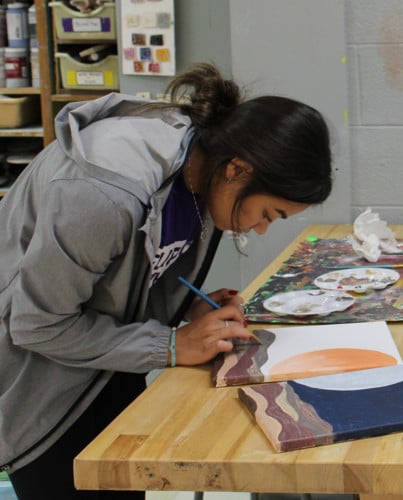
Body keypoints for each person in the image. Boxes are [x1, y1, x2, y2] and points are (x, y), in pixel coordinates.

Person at [0, 63, 333, 499]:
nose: (261, 229)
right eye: (268, 213)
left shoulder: (203, 167)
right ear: (237, 170)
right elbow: (38, 325)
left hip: (101, 368)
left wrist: (182, 308)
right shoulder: (103, 193)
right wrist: (172, 345)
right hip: (38, 391)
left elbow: (126, 283)